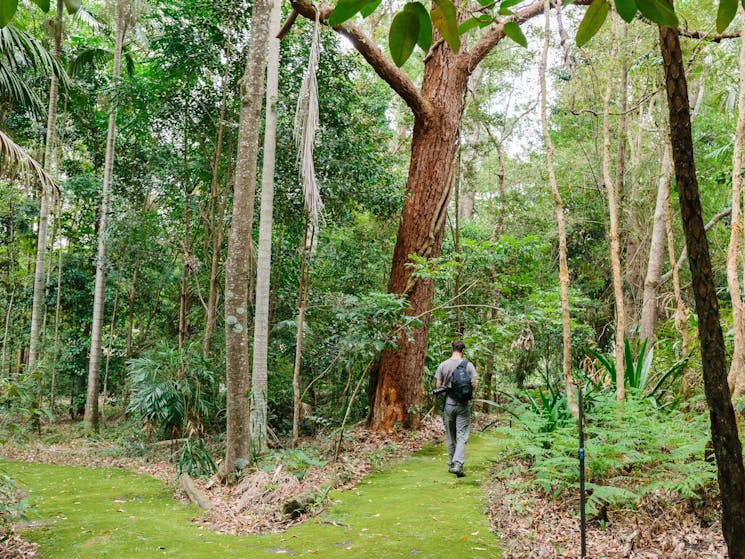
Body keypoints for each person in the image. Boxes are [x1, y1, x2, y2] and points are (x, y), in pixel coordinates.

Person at [434, 339, 477, 477]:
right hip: (463, 405)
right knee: (462, 435)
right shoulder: (468, 365)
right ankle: (458, 464)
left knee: (450, 436)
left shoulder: (443, 365)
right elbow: (474, 384)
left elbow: (438, 386)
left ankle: (452, 463)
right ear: (462, 350)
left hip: (449, 404)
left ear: (452, 349)